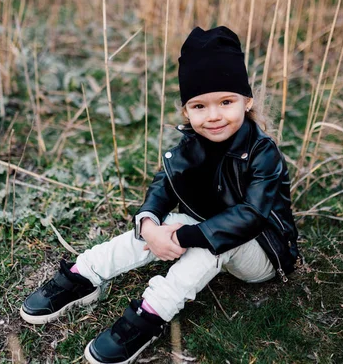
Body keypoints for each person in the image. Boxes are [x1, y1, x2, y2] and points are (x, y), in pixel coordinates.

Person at [19, 26, 301, 364]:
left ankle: (151, 313)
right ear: (187, 111)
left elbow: (251, 217)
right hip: (205, 224)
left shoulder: (262, 152)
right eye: (199, 106)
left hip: (262, 251)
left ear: (247, 101)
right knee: (163, 224)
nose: (213, 116)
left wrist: (186, 236)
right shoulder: (192, 143)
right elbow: (164, 184)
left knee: (211, 241)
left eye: (226, 102)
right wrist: (150, 224)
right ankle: (86, 274)